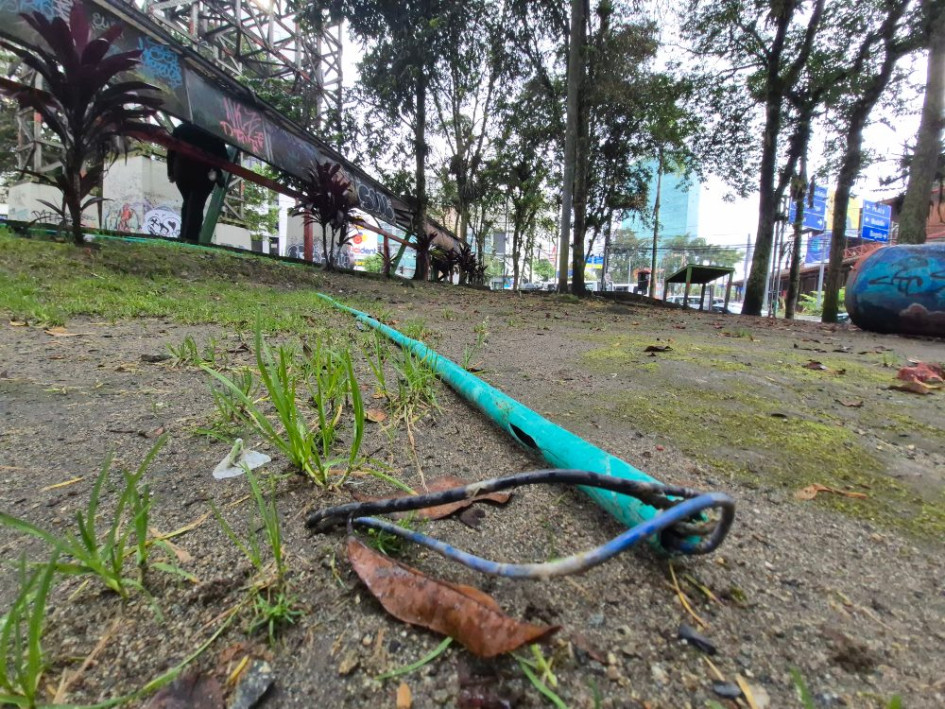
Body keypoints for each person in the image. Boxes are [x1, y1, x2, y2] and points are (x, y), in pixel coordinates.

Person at [166, 122, 229, 244]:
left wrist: (171, 172)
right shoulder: (213, 133)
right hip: (204, 175)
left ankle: (184, 236)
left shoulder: (181, 129)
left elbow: (171, 151)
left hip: (182, 172)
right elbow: (224, 158)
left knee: (188, 202)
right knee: (196, 206)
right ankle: (191, 239)